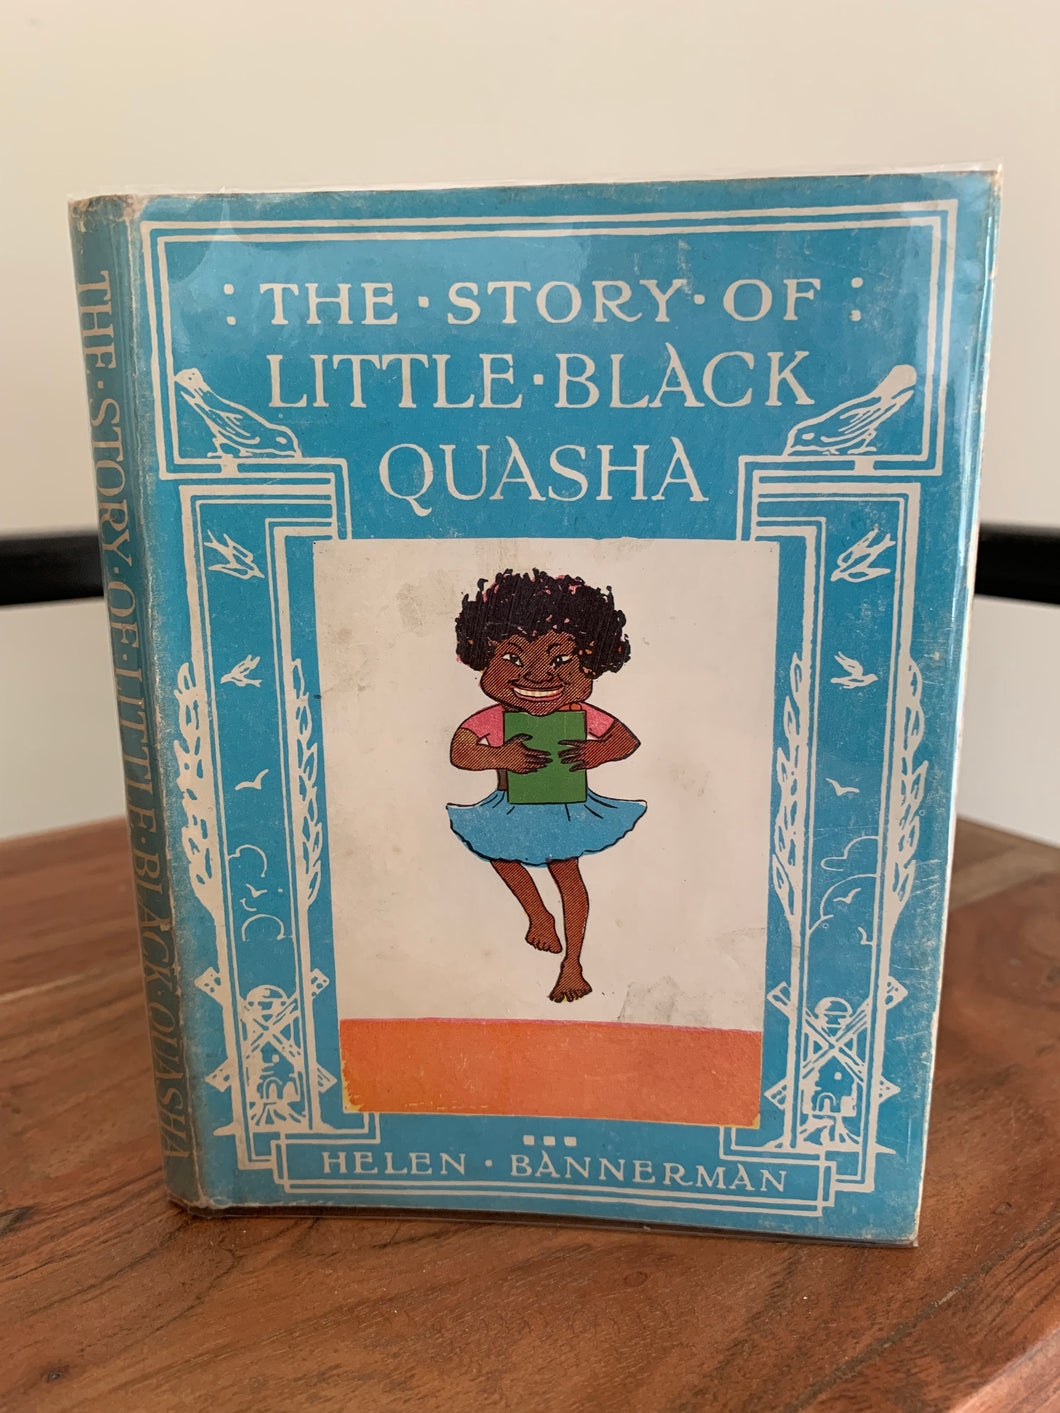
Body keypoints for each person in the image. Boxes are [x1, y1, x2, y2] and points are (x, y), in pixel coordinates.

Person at [447, 568, 645, 1002]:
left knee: (566, 874)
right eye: (513, 659)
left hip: (564, 809)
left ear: (592, 663)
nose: (538, 676)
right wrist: (501, 757)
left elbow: (625, 740)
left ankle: (573, 965)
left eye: (559, 661)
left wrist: (597, 752)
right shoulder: (496, 718)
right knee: (499, 855)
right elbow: (461, 752)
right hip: (511, 806)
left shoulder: (580, 713)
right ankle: (538, 915)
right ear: (483, 658)